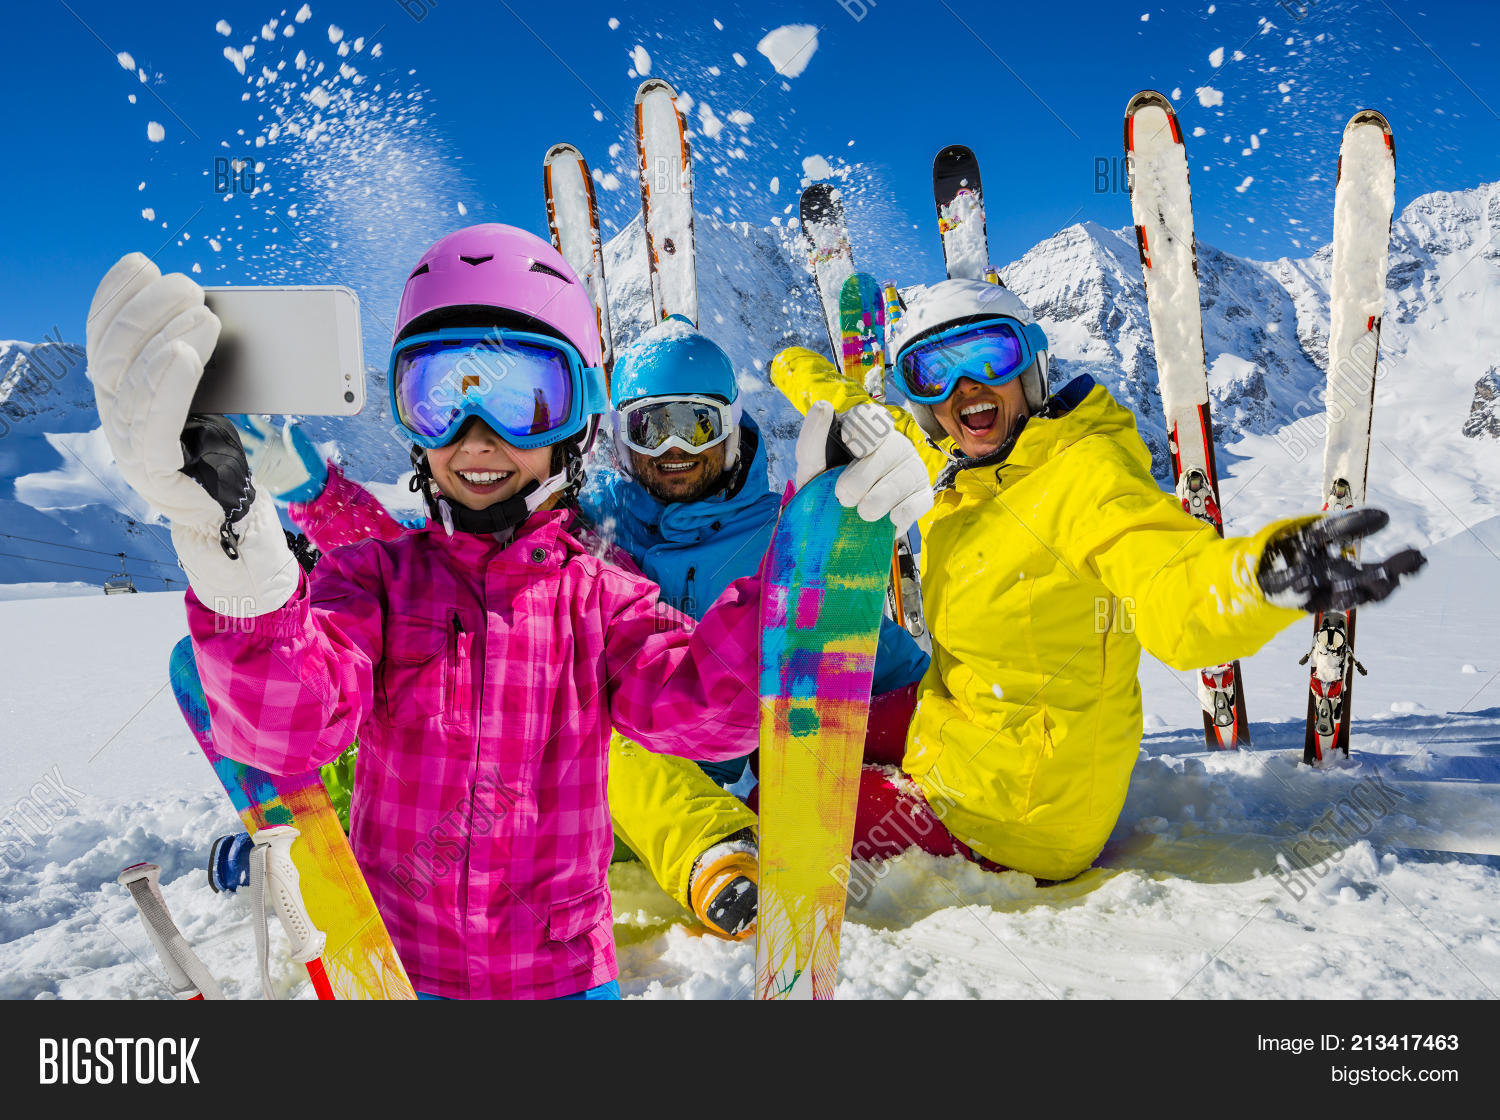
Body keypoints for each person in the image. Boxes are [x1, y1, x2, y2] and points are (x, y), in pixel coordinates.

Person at [84, 224, 931, 999]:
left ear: (575, 424)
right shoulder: (374, 583)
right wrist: (234, 556)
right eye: (441, 396)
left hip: (563, 979)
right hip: (402, 973)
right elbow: (286, 730)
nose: (478, 435)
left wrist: (810, 565)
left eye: (524, 397)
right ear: (409, 421)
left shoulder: (602, 599)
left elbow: (710, 712)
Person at [228, 313, 931, 940]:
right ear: (618, 437)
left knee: (590, 711)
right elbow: (432, 563)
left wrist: (834, 532)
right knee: (470, 716)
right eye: (649, 428)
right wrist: (318, 497)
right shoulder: (583, 516)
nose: (673, 449)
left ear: (732, 425)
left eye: (695, 424)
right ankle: (300, 834)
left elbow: (877, 662)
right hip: (591, 807)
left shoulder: (778, 533)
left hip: (716, 770)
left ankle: (722, 850)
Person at [771, 277, 1425, 882]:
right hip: (956, 725)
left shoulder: (1086, 477)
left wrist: (1255, 578)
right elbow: (863, 417)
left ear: (1030, 368)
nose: (965, 386)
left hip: (1014, 812)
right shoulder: (951, 468)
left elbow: (1174, 584)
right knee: (793, 730)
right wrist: (792, 367)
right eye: (933, 371)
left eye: (990, 356)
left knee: (786, 801)